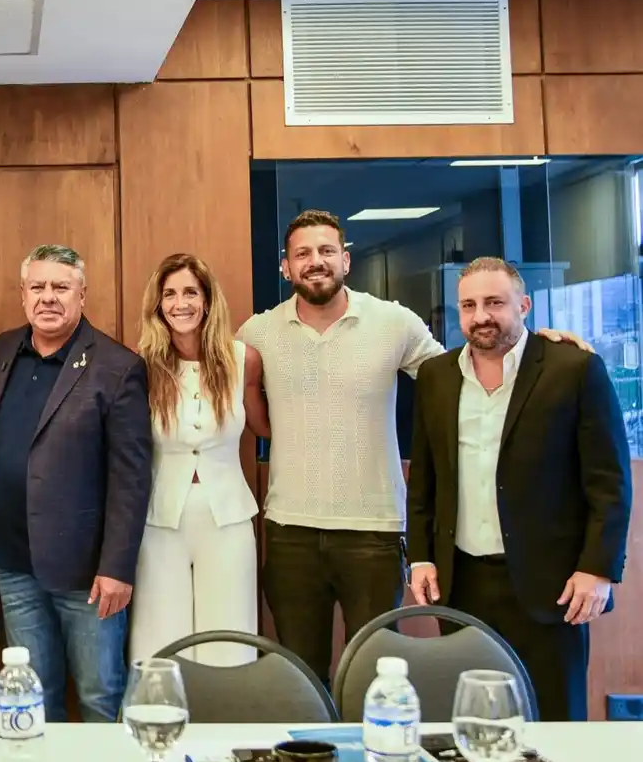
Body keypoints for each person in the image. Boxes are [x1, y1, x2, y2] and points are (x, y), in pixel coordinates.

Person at [240, 209, 590, 684]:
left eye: (326, 251)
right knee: (301, 675)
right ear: (285, 267)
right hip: (290, 532)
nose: (315, 261)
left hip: (374, 534)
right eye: (303, 253)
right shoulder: (257, 332)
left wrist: (536, 343)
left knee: (373, 676)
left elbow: (462, 369)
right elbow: (238, 399)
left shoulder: (393, 323)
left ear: (346, 260)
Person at [407, 258, 630, 721]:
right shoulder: (437, 376)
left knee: (554, 720)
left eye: (494, 302)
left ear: (524, 305)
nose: (481, 316)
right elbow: (426, 478)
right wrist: (422, 556)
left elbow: (609, 482)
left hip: (551, 584)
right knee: (473, 721)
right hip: (463, 579)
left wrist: (598, 569)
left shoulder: (574, 369)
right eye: (468, 305)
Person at [0, 243, 151, 723]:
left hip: (87, 574)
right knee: (35, 696)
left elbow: (132, 477)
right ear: (23, 294)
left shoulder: (117, 368)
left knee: (100, 695)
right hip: (13, 562)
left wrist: (117, 566)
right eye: (38, 287)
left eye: (61, 287)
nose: (48, 298)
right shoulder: (4, 349)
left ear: (82, 295)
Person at [130, 253, 268, 667]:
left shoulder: (244, 360)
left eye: (191, 292)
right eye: (169, 294)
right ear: (158, 306)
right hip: (159, 520)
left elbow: (266, 427)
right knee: (158, 640)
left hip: (227, 517)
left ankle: (225, 725)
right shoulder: (141, 367)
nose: (180, 303)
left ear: (207, 300)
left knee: (229, 639)